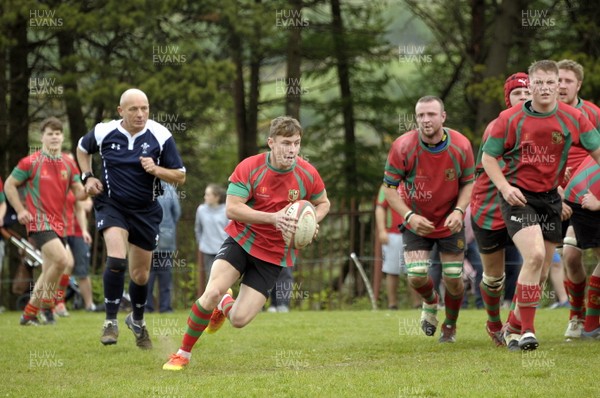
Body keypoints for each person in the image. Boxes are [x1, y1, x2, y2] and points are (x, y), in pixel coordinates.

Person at [163, 116, 330, 370]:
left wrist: (312, 222)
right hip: (242, 240)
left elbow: (323, 202)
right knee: (211, 292)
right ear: (271, 143)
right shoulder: (251, 167)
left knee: (239, 320)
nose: (292, 150)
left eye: (296, 143)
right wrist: (274, 218)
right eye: (286, 143)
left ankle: (225, 305)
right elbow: (232, 209)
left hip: (273, 255)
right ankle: (182, 353)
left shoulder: (307, 173)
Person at [481, 59, 600, 351]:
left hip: (550, 198)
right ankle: (528, 332)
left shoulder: (575, 117)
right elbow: (487, 158)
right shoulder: (508, 119)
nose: (546, 88)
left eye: (551, 82)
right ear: (530, 85)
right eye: (540, 83)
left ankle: (513, 324)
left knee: (543, 269)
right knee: (533, 256)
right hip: (519, 196)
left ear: (558, 84)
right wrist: (505, 187)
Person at [77, 88, 186, 349]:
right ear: (120, 111)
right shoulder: (104, 131)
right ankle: (110, 320)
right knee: (116, 258)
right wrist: (87, 176)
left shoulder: (160, 135)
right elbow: (82, 149)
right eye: (134, 109)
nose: (140, 114)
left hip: (146, 211)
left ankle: (137, 320)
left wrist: (156, 169)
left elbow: (180, 175)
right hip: (112, 205)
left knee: (139, 275)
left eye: (145, 108)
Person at [383, 95, 475, 343]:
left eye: (431, 114)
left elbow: (469, 183)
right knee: (416, 276)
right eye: (421, 115)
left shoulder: (461, 145)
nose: (426, 120)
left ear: (443, 117)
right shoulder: (402, 146)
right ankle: (431, 301)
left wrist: (459, 211)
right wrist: (409, 216)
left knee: (454, 278)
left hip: (449, 221)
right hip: (417, 221)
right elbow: (389, 188)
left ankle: (450, 326)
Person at [4, 117, 87, 325]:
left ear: (62, 137)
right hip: (38, 222)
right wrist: (20, 209)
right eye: (50, 133)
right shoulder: (30, 162)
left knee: (52, 268)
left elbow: (79, 194)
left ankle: (30, 312)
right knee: (62, 260)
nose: (54, 137)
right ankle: (47, 306)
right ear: (42, 137)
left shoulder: (69, 163)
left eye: (58, 133)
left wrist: (91, 189)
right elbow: (9, 185)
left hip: (60, 224)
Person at [471, 72, 529, 346]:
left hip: (525, 205)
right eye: (518, 93)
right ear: (508, 99)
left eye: (528, 92)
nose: (524, 96)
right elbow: (490, 167)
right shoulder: (498, 126)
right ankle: (494, 321)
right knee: (494, 278)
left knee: (535, 262)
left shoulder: (545, 125)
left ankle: (518, 325)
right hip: (491, 205)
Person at [557, 59, 600, 338]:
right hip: (557, 198)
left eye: (567, 81)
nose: (561, 86)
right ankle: (577, 316)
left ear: (578, 85)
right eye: (557, 80)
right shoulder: (546, 115)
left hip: (588, 196)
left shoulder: (593, 114)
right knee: (570, 258)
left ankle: (590, 322)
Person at [563, 155, 600, 338]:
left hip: (581, 194)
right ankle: (588, 324)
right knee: (570, 255)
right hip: (584, 198)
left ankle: (591, 326)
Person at [375, 184, 420, 309]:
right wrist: (382, 230)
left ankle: (417, 304)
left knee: (415, 270)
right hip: (393, 234)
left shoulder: (415, 183)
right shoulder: (386, 185)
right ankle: (392, 305)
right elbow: (380, 208)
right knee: (392, 271)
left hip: (414, 233)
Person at [54, 190, 94, 316]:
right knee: (62, 266)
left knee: (73, 267)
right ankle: (53, 303)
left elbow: (82, 207)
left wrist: (84, 230)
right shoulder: (53, 182)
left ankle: (58, 302)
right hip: (54, 230)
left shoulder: (74, 184)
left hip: (70, 232)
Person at [147, 181, 181, 313]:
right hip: (166, 237)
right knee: (165, 276)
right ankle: (165, 307)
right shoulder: (169, 189)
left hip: (147, 235)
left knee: (147, 275)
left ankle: (147, 307)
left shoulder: (143, 185)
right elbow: (176, 212)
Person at [194, 183, 228, 295]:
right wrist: (201, 244)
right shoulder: (201, 210)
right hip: (207, 250)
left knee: (223, 280)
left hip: (223, 250)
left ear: (216, 197)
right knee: (210, 278)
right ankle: (212, 308)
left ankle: (224, 304)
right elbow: (198, 229)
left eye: (208, 194)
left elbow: (230, 231)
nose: (205, 197)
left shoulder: (226, 210)